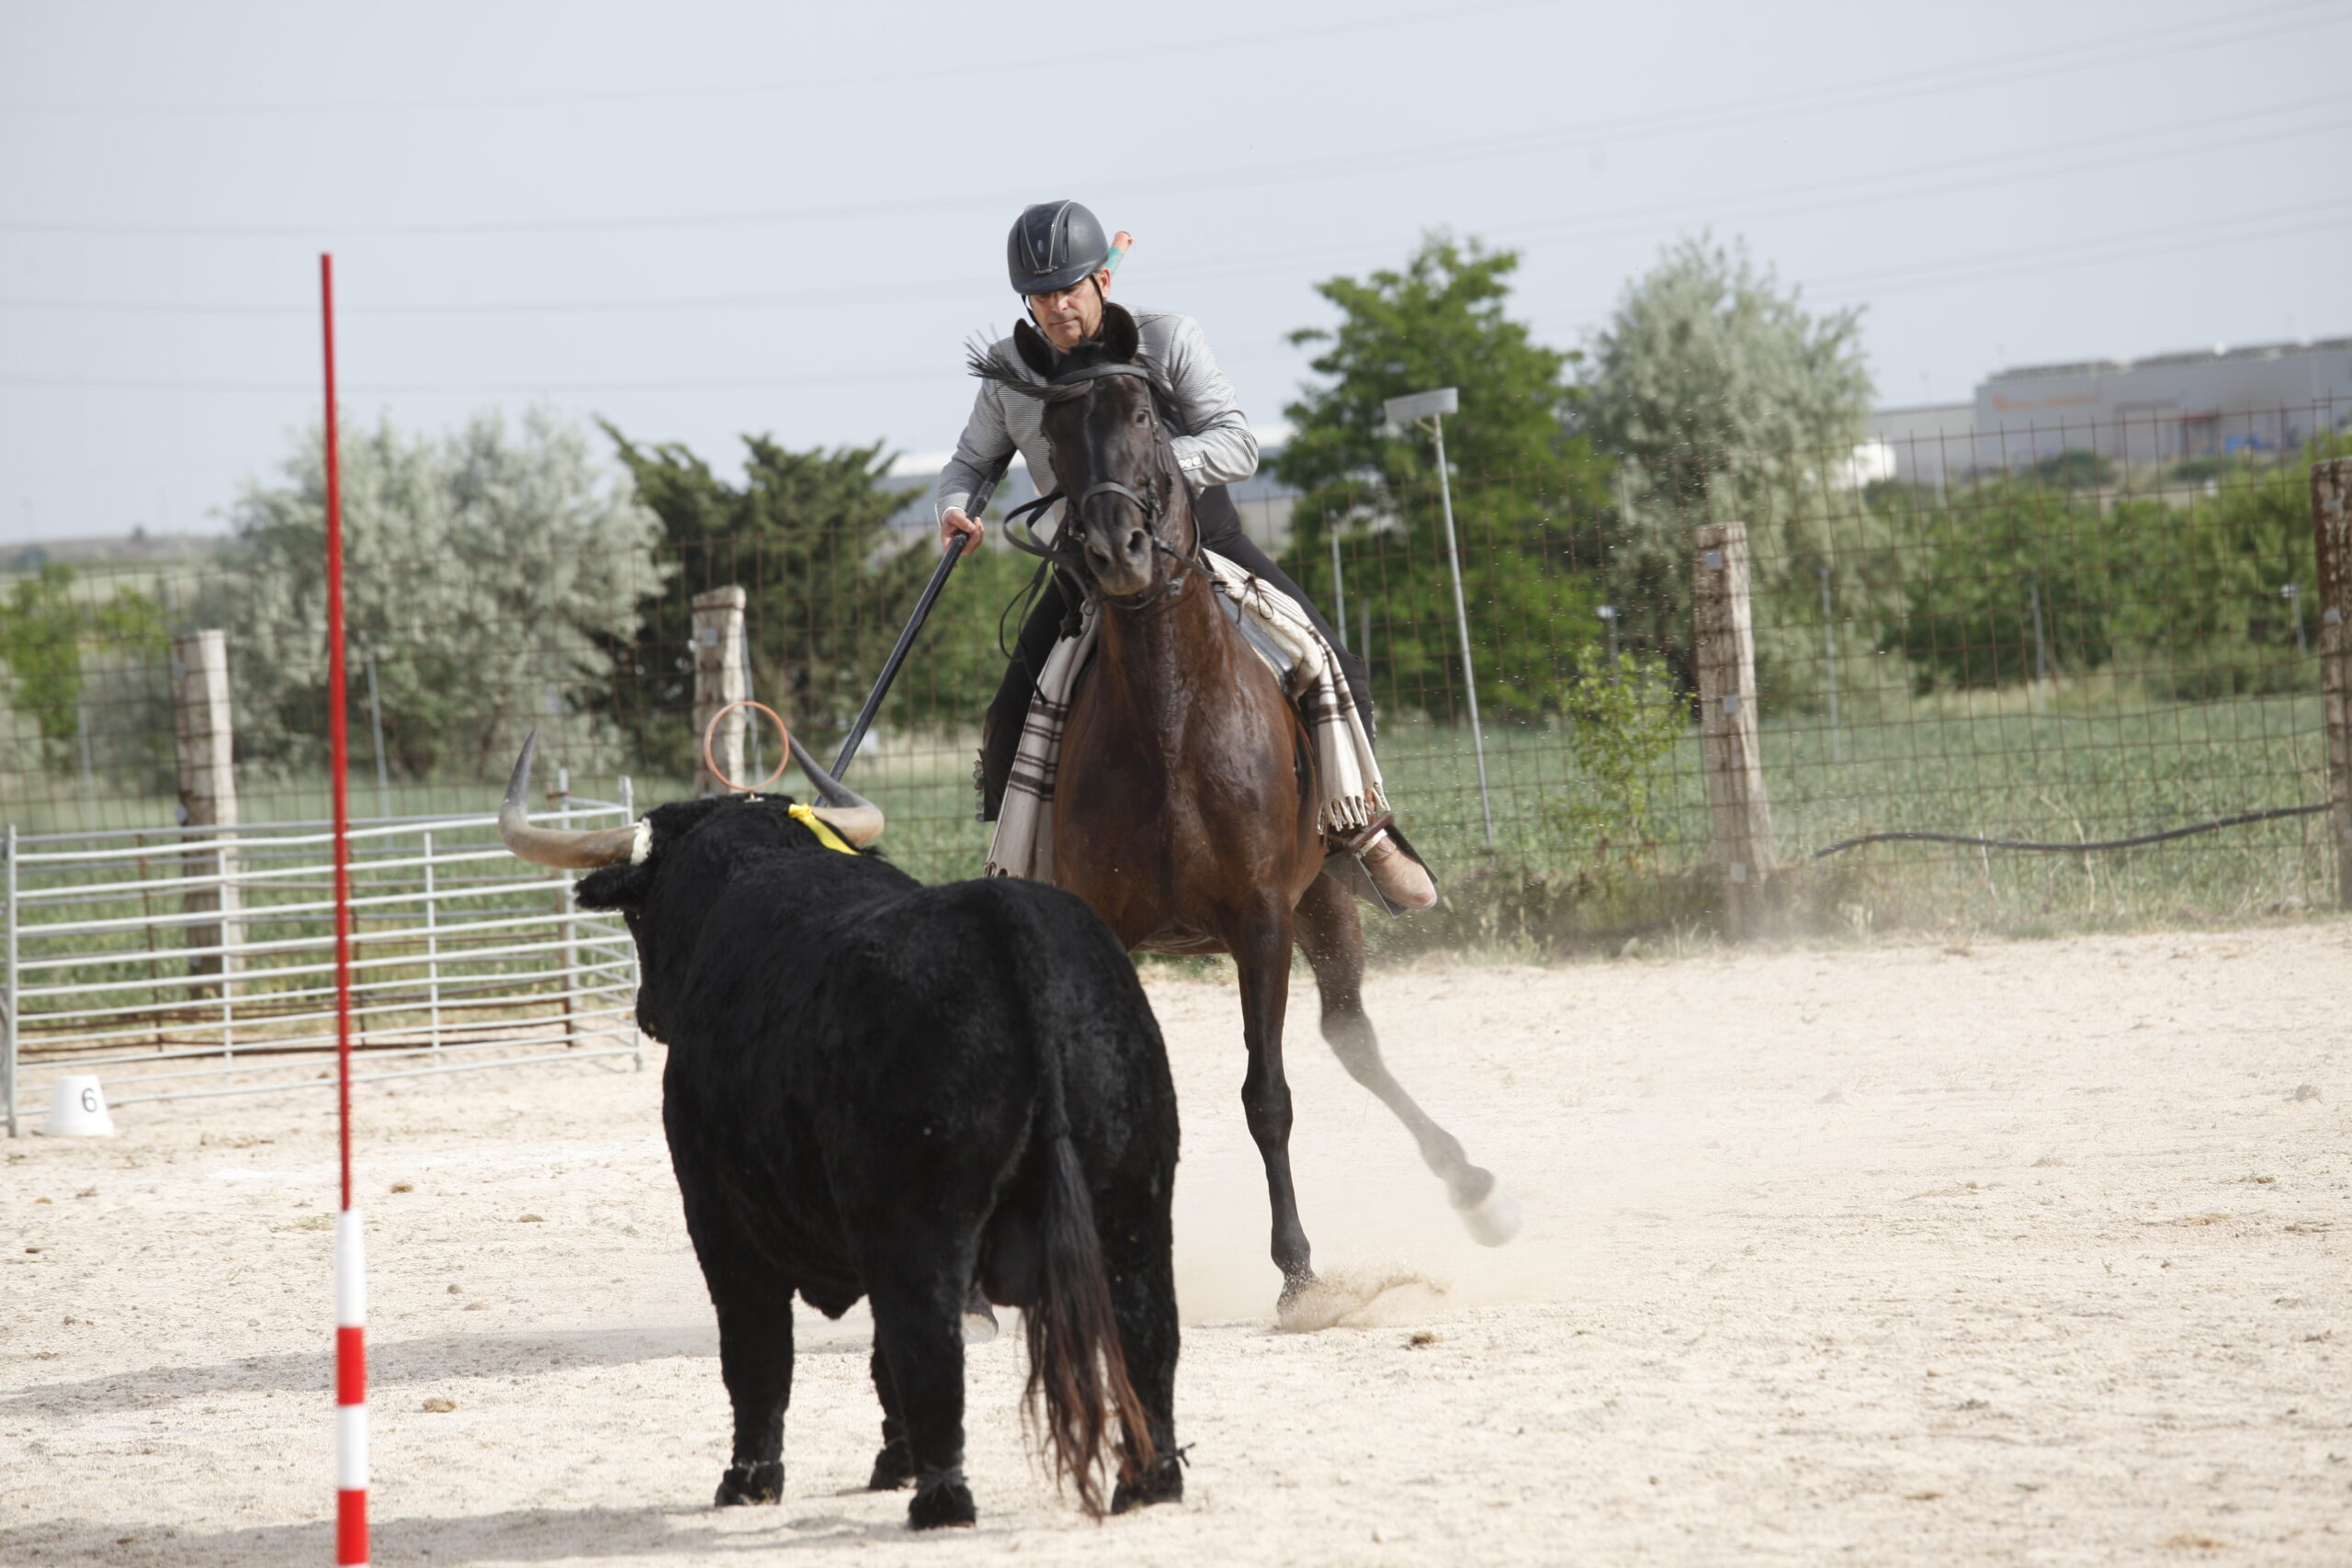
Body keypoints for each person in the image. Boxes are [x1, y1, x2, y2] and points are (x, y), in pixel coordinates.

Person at [935, 199, 1434, 909]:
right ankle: (1032, 875)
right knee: (1009, 711)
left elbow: (1239, 441)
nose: (1056, 307)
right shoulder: (1012, 374)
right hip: (1087, 568)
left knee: (1332, 662)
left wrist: (1148, 470)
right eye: (1040, 296)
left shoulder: (1169, 340)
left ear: (1100, 282)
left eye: (1068, 289)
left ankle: (1363, 833)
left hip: (1204, 546)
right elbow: (968, 464)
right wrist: (954, 508)